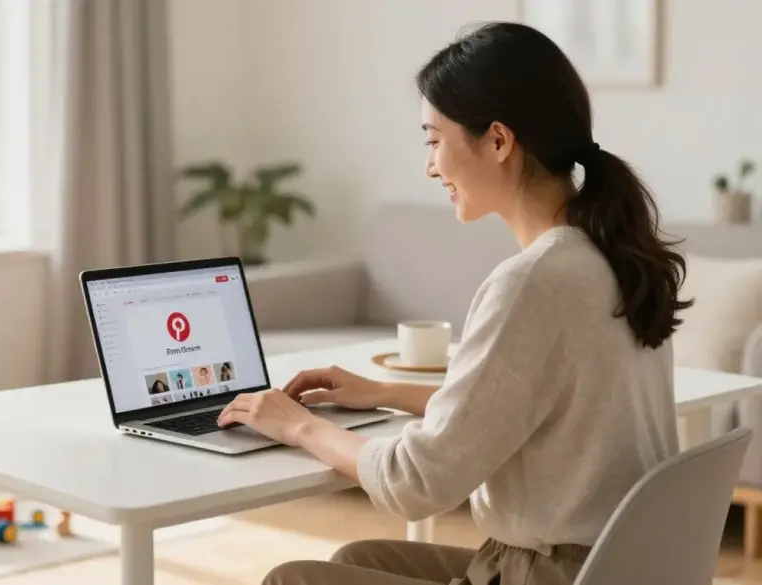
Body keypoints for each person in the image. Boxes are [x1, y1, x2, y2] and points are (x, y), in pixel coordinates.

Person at [217, 21, 692, 585]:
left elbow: (413, 484)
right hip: (618, 564)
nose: (430, 166)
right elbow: (539, 405)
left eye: (433, 140)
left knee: (295, 579)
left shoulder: (533, 281)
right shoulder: (611, 254)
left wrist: (297, 425)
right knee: (360, 561)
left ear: (498, 141)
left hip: (551, 574)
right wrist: (385, 392)